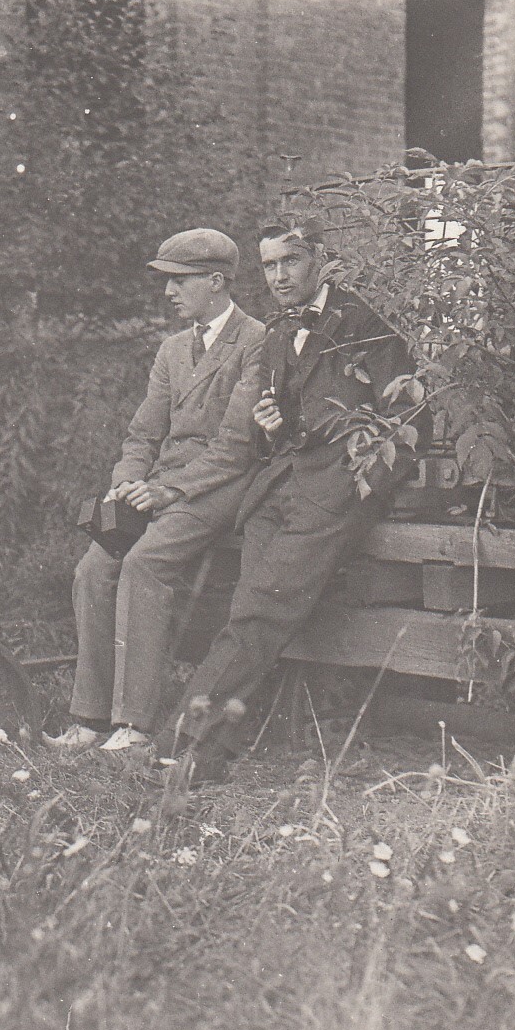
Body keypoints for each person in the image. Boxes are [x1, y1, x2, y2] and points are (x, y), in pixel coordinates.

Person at [151, 214, 431, 784]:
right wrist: (270, 424)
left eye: (291, 262)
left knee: (259, 614)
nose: (279, 276)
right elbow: (282, 428)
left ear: (321, 261)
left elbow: (407, 421)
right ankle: (209, 754)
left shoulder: (366, 326)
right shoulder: (279, 331)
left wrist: (360, 490)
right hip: (278, 488)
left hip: (331, 495)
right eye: (270, 265)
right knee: (249, 613)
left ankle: (178, 747)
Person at [45, 228, 266, 755]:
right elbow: (143, 432)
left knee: (144, 563)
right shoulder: (172, 349)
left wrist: (170, 491)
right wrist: (125, 484)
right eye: (165, 280)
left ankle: (135, 727)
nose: (168, 292)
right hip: (161, 483)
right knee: (93, 569)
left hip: (217, 487)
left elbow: (237, 445)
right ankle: (90, 719)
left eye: (179, 280)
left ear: (216, 282)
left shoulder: (256, 340)